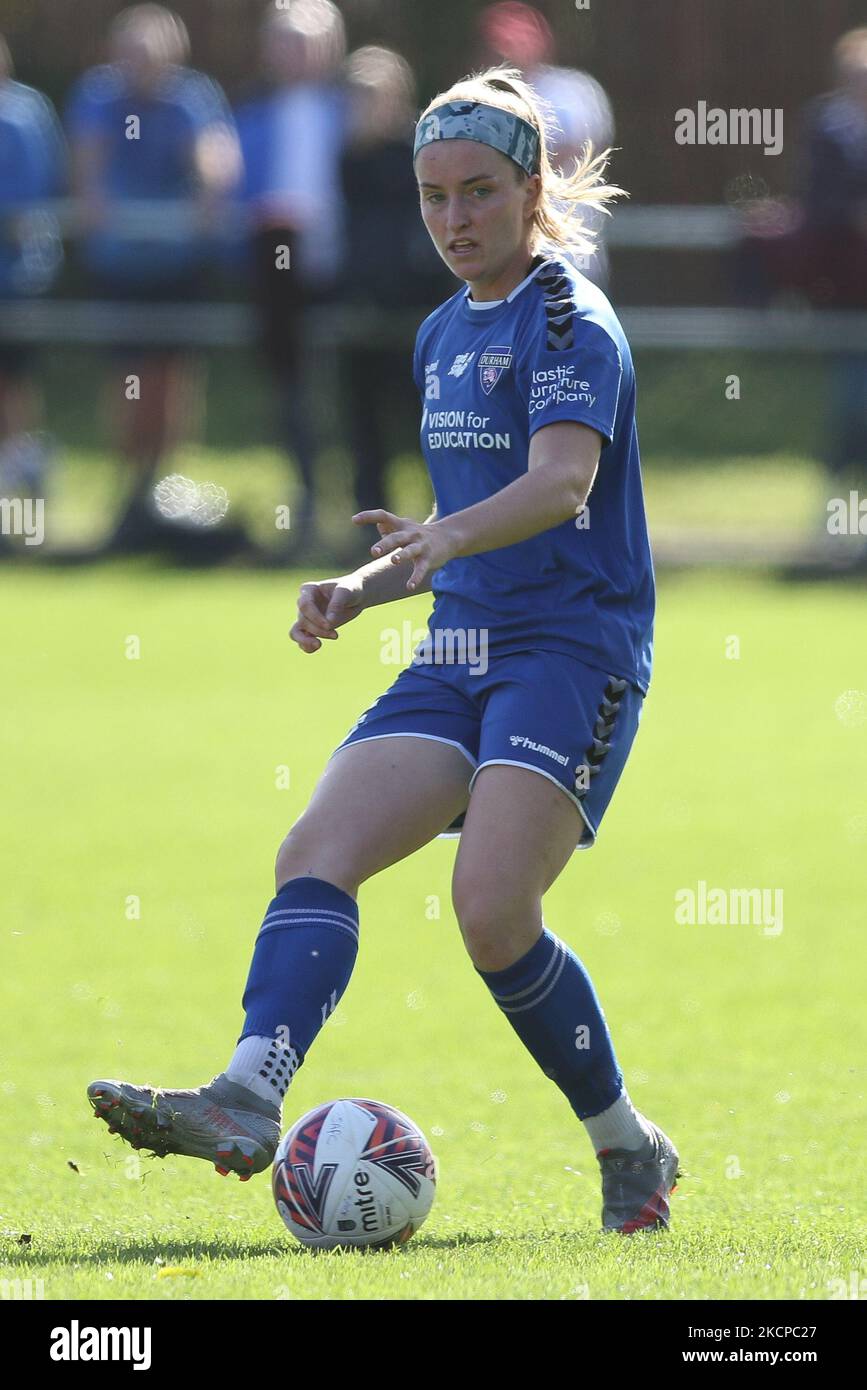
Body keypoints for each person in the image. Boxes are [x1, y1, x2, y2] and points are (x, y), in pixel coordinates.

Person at [87, 66, 680, 1236]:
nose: (455, 220)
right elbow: (447, 525)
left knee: (491, 908)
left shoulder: (568, 315)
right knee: (317, 845)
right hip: (460, 639)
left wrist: (439, 541)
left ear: (532, 188)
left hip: (571, 646)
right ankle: (248, 1099)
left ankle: (627, 1143)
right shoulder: (438, 334)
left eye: (479, 192)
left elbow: (562, 484)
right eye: (432, 197)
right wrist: (356, 587)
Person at [65, 3, 242, 555]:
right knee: (127, 381)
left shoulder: (192, 96)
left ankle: (163, 483)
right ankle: (132, 486)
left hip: (178, 265)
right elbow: (87, 166)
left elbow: (215, 156)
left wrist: (212, 193)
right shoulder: (98, 96)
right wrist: (93, 201)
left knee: (173, 379)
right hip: (121, 267)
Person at [234, 0, 348, 560]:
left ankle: (369, 515)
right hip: (277, 270)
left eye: (303, 42)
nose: (293, 54)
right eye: (283, 42)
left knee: (357, 390)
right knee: (293, 393)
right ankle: (306, 507)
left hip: (343, 271)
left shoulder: (349, 110)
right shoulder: (252, 114)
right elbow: (234, 187)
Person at [337, 44, 451, 557]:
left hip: (418, 312)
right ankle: (372, 535)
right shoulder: (348, 157)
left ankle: (448, 524)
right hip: (365, 309)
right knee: (365, 429)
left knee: (434, 426)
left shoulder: (423, 154)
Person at [0, 32, 66, 530]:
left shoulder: (22, 115)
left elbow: (27, 205)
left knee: (12, 389)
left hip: (15, 281)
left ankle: (22, 504)